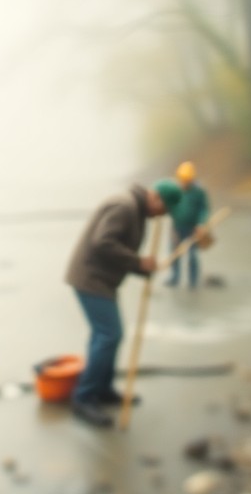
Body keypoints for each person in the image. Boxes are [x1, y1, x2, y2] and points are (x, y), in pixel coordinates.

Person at [65, 181, 180, 428]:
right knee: (109, 335)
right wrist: (139, 263)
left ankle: (102, 389)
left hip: (101, 280)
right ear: (156, 199)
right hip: (90, 278)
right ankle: (83, 398)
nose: (161, 217)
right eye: (163, 211)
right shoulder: (125, 207)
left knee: (106, 336)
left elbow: (119, 251)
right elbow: (103, 243)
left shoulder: (136, 210)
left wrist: (142, 268)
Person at [164, 161, 211, 290]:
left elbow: (204, 209)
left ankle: (193, 282)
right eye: (182, 180)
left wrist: (201, 223)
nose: (184, 183)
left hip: (192, 228)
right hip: (177, 227)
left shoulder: (198, 192)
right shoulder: (175, 191)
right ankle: (174, 278)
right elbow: (170, 207)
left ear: (191, 179)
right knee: (174, 253)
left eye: (187, 180)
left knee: (192, 256)